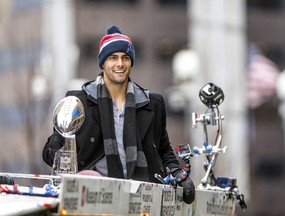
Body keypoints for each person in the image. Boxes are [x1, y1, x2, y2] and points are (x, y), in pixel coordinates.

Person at [42, 25, 195, 204]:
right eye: (113, 57)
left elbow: (164, 151)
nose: (120, 64)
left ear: (131, 62)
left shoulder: (153, 104)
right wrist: (61, 138)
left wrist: (179, 175)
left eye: (125, 58)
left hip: (143, 196)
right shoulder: (79, 101)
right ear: (103, 62)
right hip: (93, 197)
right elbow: (49, 155)